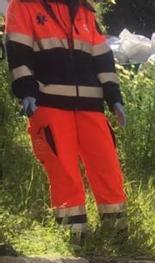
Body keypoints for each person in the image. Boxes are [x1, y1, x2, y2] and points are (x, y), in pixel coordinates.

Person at [5, 0, 127, 241]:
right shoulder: (23, 6)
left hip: (90, 103)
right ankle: (74, 235)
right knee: (63, 167)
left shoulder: (85, 10)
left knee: (107, 164)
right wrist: (27, 90)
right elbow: (18, 52)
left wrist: (114, 97)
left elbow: (102, 56)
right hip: (48, 101)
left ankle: (117, 234)